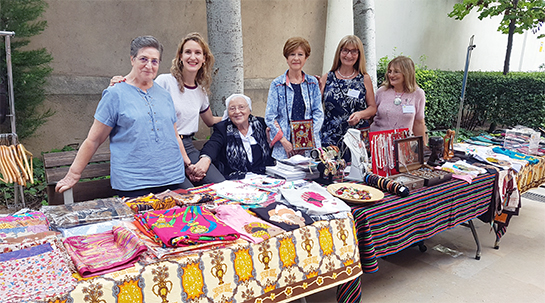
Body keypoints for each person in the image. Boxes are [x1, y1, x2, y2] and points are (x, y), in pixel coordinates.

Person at [55, 36, 191, 198]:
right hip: (134, 183)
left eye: (155, 61)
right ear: (132, 59)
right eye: (143, 59)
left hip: (172, 178)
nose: (149, 65)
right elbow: (94, 139)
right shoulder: (115, 93)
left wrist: (188, 164)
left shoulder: (164, 95)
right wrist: (73, 174)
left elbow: (174, 135)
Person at [111, 33, 224, 185]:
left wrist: (235, 116)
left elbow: (210, 120)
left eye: (198, 53)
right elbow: (142, 89)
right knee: (188, 195)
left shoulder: (201, 91)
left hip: (188, 147)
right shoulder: (165, 81)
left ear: (204, 59)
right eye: (188, 52)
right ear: (180, 57)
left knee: (221, 185)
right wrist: (122, 82)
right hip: (165, 147)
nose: (193, 57)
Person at [318, 35, 376, 159]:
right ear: (339, 52)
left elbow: (372, 108)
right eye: (345, 50)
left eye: (354, 51)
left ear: (359, 55)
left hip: (357, 138)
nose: (349, 55)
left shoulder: (364, 78)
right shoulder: (327, 77)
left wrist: (360, 114)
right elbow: (315, 107)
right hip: (331, 138)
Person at [265, 37, 324, 160]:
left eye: (300, 54)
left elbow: (318, 113)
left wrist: (306, 140)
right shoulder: (277, 84)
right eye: (292, 54)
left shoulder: (312, 83)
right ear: (286, 58)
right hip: (284, 148)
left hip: (309, 147)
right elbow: (270, 117)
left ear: (306, 58)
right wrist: (284, 142)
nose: (296, 58)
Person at [191, 94, 274, 180]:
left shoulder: (262, 124)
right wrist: (205, 159)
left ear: (249, 110)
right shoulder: (222, 128)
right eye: (232, 108)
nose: (237, 112)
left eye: (241, 107)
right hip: (236, 179)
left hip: (265, 176)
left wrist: (270, 142)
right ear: (228, 112)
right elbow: (212, 145)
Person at [370, 56, 427, 143]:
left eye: (396, 72)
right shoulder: (381, 92)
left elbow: (419, 123)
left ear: (407, 73)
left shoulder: (418, 94)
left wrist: (422, 147)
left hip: (403, 145)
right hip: (379, 144)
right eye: (390, 71)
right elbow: (371, 116)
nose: (391, 75)